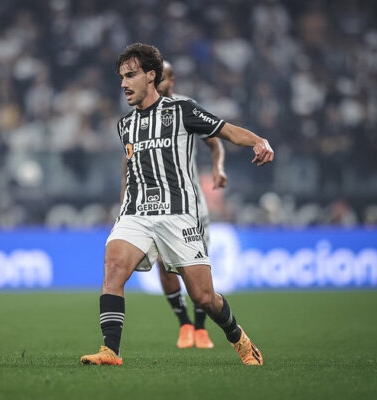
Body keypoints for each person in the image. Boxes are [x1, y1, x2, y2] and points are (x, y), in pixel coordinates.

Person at [80, 43, 273, 366]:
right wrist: (123, 203)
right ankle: (110, 350)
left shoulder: (181, 111)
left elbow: (226, 131)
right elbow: (130, 171)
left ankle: (239, 338)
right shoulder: (124, 125)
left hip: (178, 215)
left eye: (131, 76)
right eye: (121, 77)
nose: (124, 84)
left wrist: (258, 141)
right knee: (113, 267)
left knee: (203, 297)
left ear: (151, 76)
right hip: (136, 213)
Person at [156, 60, 227, 349]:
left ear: (171, 80)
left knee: (196, 264)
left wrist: (218, 167)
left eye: (162, 76)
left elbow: (215, 140)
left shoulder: (185, 108)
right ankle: (184, 324)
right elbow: (128, 158)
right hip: (157, 204)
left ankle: (200, 328)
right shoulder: (139, 113)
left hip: (190, 202)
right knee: (163, 264)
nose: (157, 81)